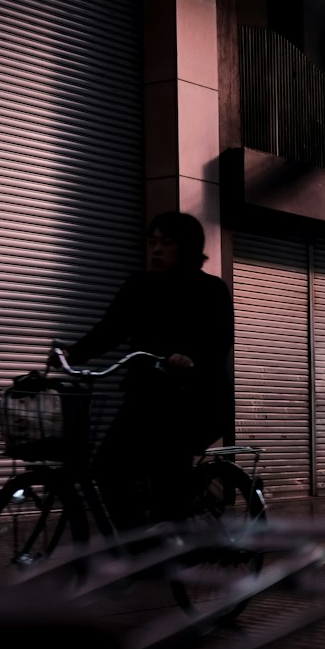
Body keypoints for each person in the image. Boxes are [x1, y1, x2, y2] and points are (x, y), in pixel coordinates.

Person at [55, 211, 234, 529]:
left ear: (188, 248)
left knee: (165, 475)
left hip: (193, 400)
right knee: (107, 467)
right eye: (152, 242)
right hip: (146, 395)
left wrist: (190, 359)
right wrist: (72, 352)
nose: (157, 250)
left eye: (166, 243)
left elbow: (219, 341)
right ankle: (140, 547)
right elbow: (110, 329)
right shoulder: (139, 286)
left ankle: (168, 543)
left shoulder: (210, 290)